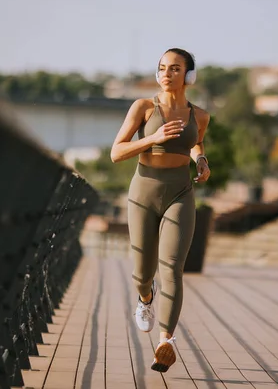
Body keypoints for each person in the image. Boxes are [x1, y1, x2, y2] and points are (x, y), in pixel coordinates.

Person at [110, 48, 211, 373]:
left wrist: (201, 159)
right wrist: (151, 138)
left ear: (188, 76)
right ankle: (145, 298)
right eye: (162, 68)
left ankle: (166, 341)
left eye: (175, 68)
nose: (167, 73)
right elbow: (117, 152)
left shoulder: (201, 115)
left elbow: (196, 142)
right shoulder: (143, 107)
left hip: (180, 192)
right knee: (143, 273)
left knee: (172, 269)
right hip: (143, 192)